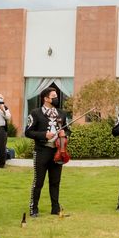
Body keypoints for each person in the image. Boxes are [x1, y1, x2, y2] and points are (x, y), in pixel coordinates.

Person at [25, 87, 70, 217]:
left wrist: (64, 133)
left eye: (56, 96)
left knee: (55, 181)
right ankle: (34, 209)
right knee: (38, 181)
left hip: (58, 151)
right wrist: (44, 135)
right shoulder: (35, 113)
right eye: (53, 96)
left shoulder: (61, 113)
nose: (56, 98)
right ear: (45, 98)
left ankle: (55, 208)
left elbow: (68, 130)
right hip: (42, 151)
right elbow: (28, 132)